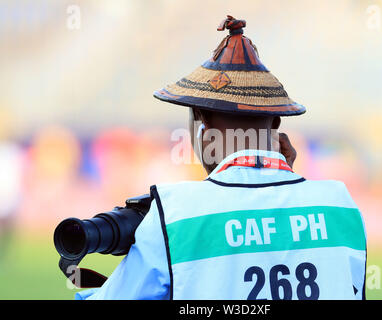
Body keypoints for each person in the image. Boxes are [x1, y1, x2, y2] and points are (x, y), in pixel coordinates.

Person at [76, 15, 366, 300]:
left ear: (202, 123)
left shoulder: (174, 213)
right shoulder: (339, 204)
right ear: (276, 123)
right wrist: (278, 185)